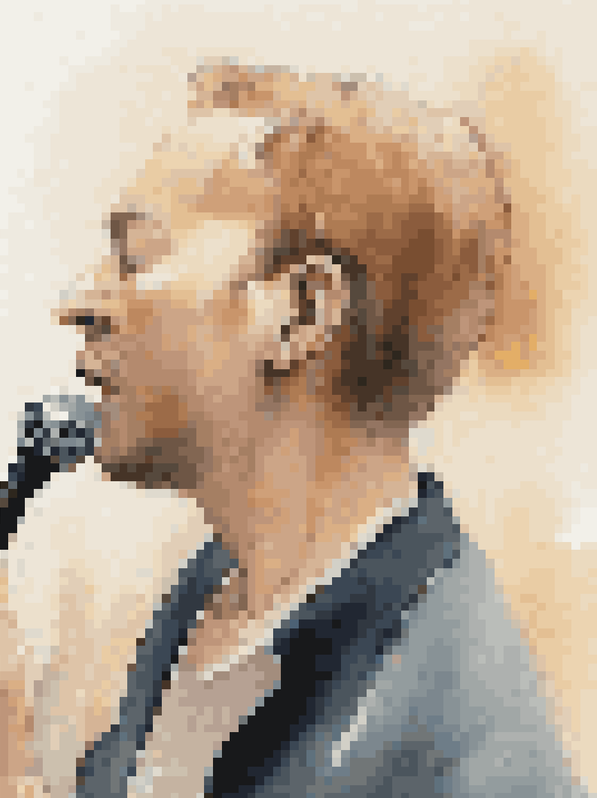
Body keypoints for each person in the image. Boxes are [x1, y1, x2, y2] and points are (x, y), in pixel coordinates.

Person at [48, 63, 584, 796]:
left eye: (135, 256)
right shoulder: (215, 595)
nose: (78, 300)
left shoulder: (458, 740)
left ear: (301, 312)